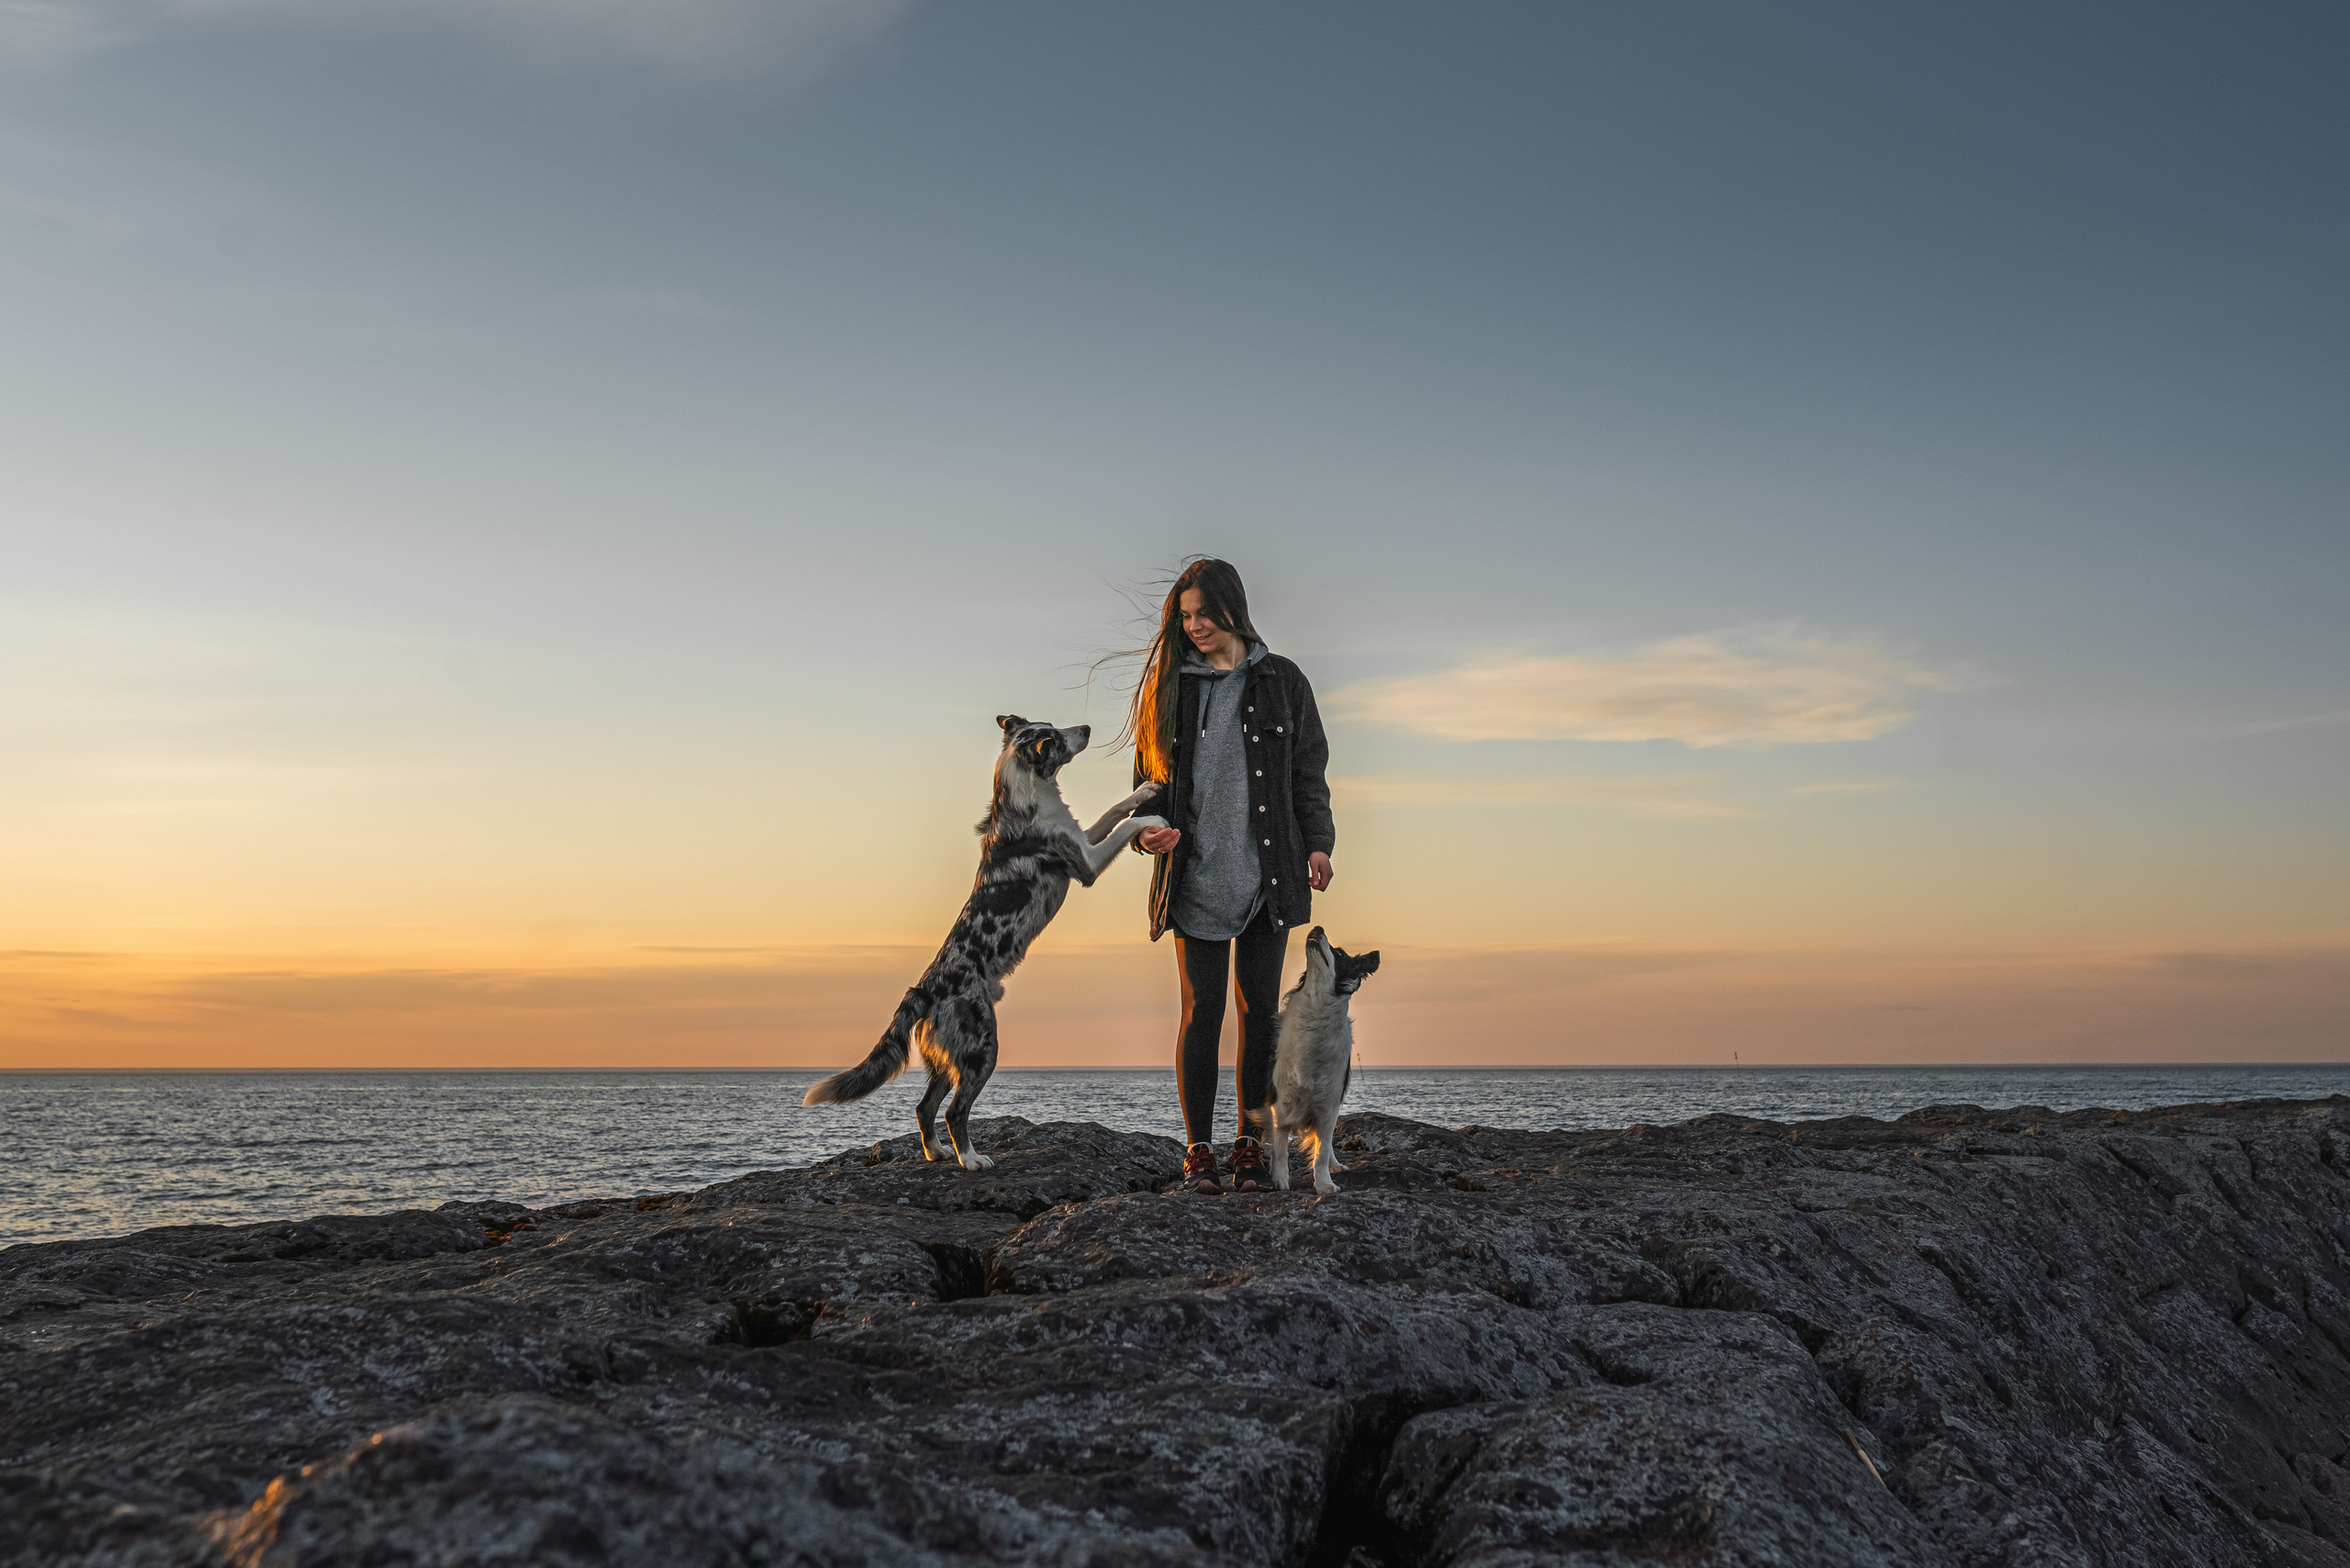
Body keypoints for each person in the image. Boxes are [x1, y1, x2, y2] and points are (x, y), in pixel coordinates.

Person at [1124, 559, 1335, 1193]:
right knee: (1201, 1012)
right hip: (1193, 875)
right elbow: (1146, 789)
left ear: (1233, 610)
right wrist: (1148, 832)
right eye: (1184, 618)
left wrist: (1319, 844)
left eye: (1203, 615)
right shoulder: (1169, 689)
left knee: (1260, 1013)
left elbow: (1308, 773)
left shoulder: (1284, 682)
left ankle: (1248, 1145)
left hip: (1268, 874)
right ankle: (1198, 1151)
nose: (1194, 628)